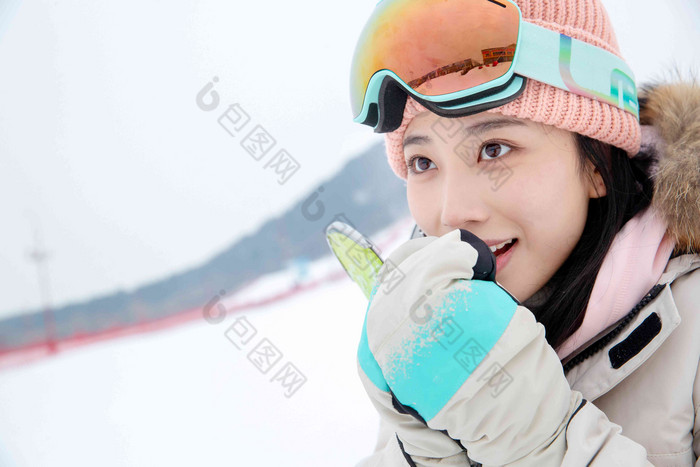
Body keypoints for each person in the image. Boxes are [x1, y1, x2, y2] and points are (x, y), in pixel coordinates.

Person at [349, 0, 700, 465]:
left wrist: (540, 444)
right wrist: (421, 449)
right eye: (423, 162)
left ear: (599, 164)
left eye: (494, 148)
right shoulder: (441, 326)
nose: (452, 214)